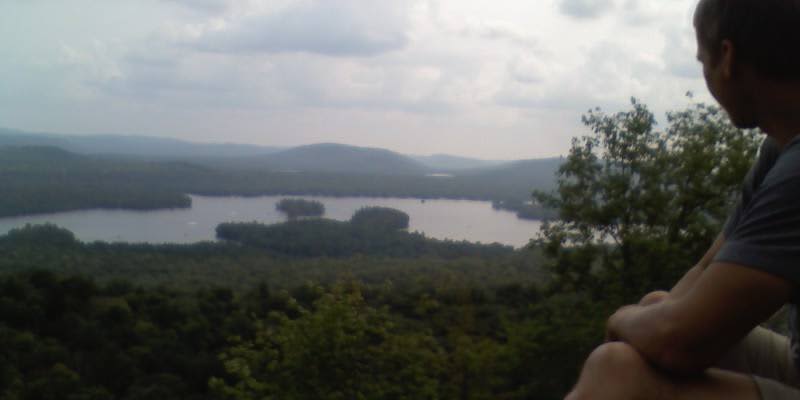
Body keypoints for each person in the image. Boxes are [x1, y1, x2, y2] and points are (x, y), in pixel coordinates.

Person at [565, 0, 800, 399]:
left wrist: (621, 321)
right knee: (656, 307)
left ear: (727, 58)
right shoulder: (780, 148)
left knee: (614, 372)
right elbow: (705, 271)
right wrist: (652, 323)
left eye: (701, 61)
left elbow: (682, 344)